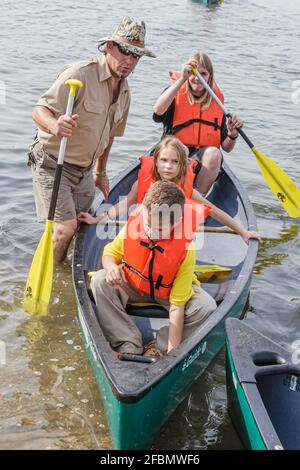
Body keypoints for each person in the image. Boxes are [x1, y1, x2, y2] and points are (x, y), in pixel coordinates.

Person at [28, 17, 156, 263]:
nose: (129, 61)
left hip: (84, 170)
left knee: (81, 226)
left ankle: (63, 266)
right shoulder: (80, 74)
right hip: (53, 163)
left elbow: (109, 136)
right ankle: (52, 276)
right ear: (109, 46)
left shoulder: (126, 92)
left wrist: (100, 172)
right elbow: (39, 110)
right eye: (125, 52)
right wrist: (55, 124)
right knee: (65, 229)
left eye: (136, 56)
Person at [91, 180, 217, 356]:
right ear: (143, 211)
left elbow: (177, 306)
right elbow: (109, 252)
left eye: (158, 229)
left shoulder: (186, 250)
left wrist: (172, 354)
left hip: (170, 293)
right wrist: (111, 267)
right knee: (99, 280)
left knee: (206, 307)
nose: (150, 231)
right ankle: (128, 343)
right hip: (135, 284)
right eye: (147, 224)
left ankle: (159, 348)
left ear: (176, 223)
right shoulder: (135, 225)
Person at [78, 136, 260, 244]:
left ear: (182, 166)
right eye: (164, 160)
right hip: (144, 236)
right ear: (155, 161)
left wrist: (243, 231)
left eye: (175, 162)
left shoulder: (186, 191)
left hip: (171, 239)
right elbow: (122, 206)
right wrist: (96, 219)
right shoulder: (141, 185)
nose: (168, 167)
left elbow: (215, 212)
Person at [152, 52, 243, 195]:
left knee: (214, 154)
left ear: (210, 76)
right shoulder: (175, 92)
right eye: (193, 72)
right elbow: (157, 113)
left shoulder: (216, 101)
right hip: (174, 153)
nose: (197, 78)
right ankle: (168, 192)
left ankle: (196, 199)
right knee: (183, 149)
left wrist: (233, 134)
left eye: (203, 73)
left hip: (201, 160)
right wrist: (182, 79)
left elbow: (227, 147)